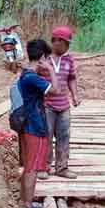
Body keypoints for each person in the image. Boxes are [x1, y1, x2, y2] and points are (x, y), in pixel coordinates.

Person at [18, 39, 62, 208]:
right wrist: (51, 70)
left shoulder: (25, 74)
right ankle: (27, 204)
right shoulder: (32, 78)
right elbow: (56, 90)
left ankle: (25, 199)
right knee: (33, 167)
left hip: (29, 124)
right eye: (47, 59)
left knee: (29, 165)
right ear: (43, 57)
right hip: (35, 126)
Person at [37, 26, 80, 180]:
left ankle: (62, 167)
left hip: (64, 106)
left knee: (64, 136)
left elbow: (72, 78)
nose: (68, 46)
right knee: (46, 136)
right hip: (46, 105)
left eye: (68, 44)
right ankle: (45, 167)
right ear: (56, 42)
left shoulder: (69, 58)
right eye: (65, 43)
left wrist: (75, 95)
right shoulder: (43, 59)